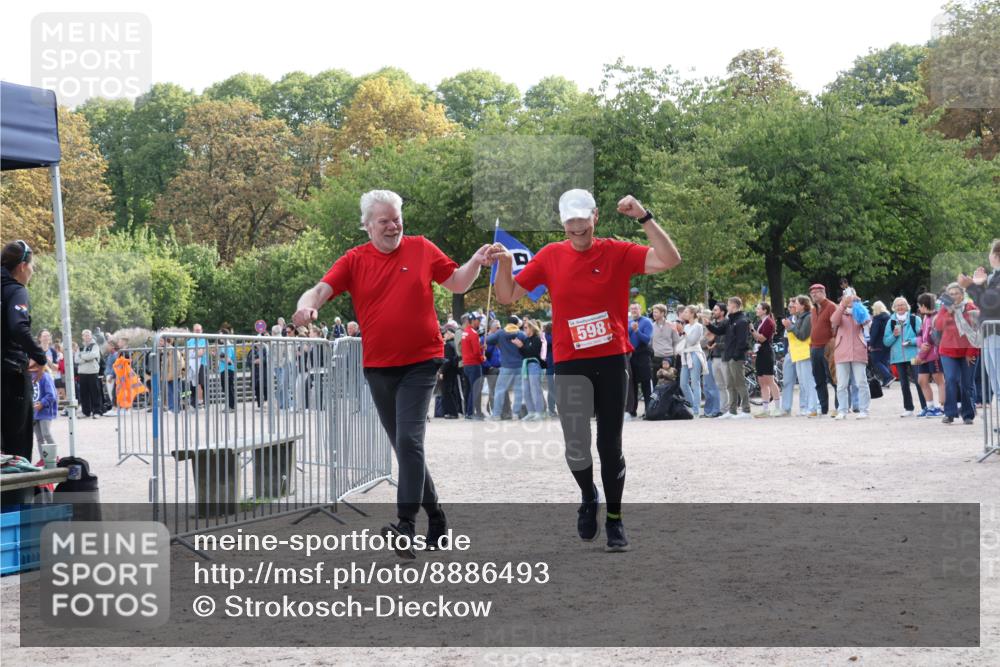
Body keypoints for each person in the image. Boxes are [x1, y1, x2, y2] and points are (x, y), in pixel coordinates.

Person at [293, 189, 492, 558]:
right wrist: (306, 306)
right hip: (379, 367)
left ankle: (405, 524)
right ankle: (436, 517)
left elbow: (458, 282)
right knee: (405, 447)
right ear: (368, 226)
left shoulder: (421, 249)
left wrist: (476, 261)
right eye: (384, 220)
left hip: (422, 361)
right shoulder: (354, 260)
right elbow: (321, 289)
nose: (393, 225)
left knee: (410, 443)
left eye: (396, 218)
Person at [491, 189, 681, 553]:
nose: (577, 227)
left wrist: (644, 217)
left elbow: (670, 259)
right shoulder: (550, 255)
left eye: (582, 219)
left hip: (610, 359)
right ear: (562, 223)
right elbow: (507, 296)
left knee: (610, 445)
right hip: (570, 361)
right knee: (576, 446)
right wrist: (502, 263)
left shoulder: (618, 251)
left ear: (595, 216)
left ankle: (614, 519)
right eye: (569, 221)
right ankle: (587, 494)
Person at [2, 240, 49, 460]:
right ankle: (18, 495)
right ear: (22, 266)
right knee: (17, 449)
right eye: (31, 266)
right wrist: (40, 356)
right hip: (10, 378)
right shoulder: (16, 291)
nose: (32, 272)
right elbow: (18, 326)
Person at [960, 239, 1000, 402]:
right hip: (990, 333)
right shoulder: (994, 277)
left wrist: (972, 286)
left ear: (996, 255)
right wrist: (979, 285)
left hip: (996, 333)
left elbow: (991, 304)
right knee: (995, 381)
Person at [935, 283, 980, 425]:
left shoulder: (971, 308)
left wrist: (971, 352)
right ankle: (949, 413)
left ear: (962, 294)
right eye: (951, 294)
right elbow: (938, 326)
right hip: (948, 350)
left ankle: (968, 414)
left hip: (968, 350)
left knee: (967, 384)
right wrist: (949, 311)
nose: (954, 296)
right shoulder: (944, 309)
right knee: (951, 379)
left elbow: (976, 332)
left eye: (956, 293)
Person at [706, 297, 751, 419]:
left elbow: (742, 341)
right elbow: (719, 331)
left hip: (735, 357)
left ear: (735, 306)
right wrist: (708, 325)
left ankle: (746, 410)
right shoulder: (729, 321)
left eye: (729, 305)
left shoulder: (742, 321)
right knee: (730, 384)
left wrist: (735, 356)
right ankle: (732, 411)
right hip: (728, 356)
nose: (727, 307)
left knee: (739, 383)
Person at [830, 291, 872, 420]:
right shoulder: (839, 310)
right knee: (841, 383)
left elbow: (866, 321)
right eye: (846, 296)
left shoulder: (859, 310)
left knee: (861, 382)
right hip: (841, 350)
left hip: (858, 349)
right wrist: (842, 305)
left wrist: (857, 305)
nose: (848, 298)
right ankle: (842, 409)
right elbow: (834, 322)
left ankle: (864, 409)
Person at [883, 296, 922, 417]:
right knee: (904, 383)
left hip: (914, 355)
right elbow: (886, 342)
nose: (900, 307)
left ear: (907, 306)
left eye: (902, 304)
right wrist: (894, 336)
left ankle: (926, 406)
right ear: (894, 308)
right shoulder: (891, 322)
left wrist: (911, 341)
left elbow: (922, 338)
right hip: (898, 357)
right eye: (898, 305)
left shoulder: (915, 319)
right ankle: (908, 408)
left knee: (919, 381)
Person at [782, 295, 819, 417]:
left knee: (808, 382)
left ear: (803, 305)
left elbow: (802, 335)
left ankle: (813, 407)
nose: (794, 306)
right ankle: (810, 407)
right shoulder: (799, 317)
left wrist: (790, 327)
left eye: (796, 303)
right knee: (803, 383)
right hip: (798, 353)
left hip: (805, 352)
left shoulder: (808, 317)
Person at [486, 316, 527, 420]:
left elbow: (488, 340)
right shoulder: (521, 334)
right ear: (517, 323)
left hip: (506, 366)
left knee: (500, 390)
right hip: (519, 365)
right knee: (518, 390)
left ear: (507, 323)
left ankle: (496, 415)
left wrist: (491, 333)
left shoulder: (501, 333)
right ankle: (515, 414)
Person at [913, 293, 945, 418]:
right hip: (924, 356)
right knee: (922, 380)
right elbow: (920, 334)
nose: (919, 309)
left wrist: (920, 355)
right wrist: (921, 346)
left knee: (939, 381)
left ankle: (943, 407)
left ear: (924, 306)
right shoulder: (925, 318)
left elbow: (931, 341)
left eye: (919, 306)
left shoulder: (936, 318)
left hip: (934, 356)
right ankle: (930, 406)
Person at [808, 284, 837, 415]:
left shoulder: (831, 307)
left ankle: (839, 407)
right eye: (812, 293)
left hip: (828, 347)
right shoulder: (813, 310)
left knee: (833, 377)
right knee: (818, 379)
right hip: (814, 347)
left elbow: (836, 326)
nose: (814, 295)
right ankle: (823, 408)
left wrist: (833, 343)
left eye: (817, 293)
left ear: (823, 293)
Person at [751, 302, 781, 418]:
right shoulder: (761, 322)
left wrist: (752, 330)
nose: (756, 310)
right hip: (760, 352)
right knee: (762, 382)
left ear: (765, 310)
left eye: (758, 308)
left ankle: (778, 407)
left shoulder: (769, 322)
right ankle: (765, 409)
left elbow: (762, 338)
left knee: (770, 380)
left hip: (767, 352)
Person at [677, 305, 707, 418]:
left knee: (695, 382)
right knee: (683, 383)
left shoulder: (698, 326)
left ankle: (696, 409)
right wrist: (680, 332)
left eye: (686, 312)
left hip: (694, 354)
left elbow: (691, 341)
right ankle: (691, 404)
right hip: (685, 355)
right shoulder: (686, 326)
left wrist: (683, 333)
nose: (684, 314)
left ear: (692, 314)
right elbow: (682, 342)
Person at [626, 302, 654, 418]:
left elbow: (647, 339)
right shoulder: (627, 322)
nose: (634, 311)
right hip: (631, 356)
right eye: (632, 309)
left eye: (636, 309)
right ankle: (632, 410)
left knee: (645, 384)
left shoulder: (646, 321)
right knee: (632, 385)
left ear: (640, 309)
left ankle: (648, 411)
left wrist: (637, 331)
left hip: (642, 355)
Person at [705, 303, 729, 417]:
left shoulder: (727, 323)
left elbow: (728, 342)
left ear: (722, 312)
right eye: (713, 310)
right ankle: (722, 409)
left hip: (724, 357)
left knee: (728, 384)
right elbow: (711, 340)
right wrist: (709, 342)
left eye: (716, 310)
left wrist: (716, 345)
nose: (713, 312)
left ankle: (729, 409)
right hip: (714, 357)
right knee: (720, 385)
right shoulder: (713, 324)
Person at [519, 319, 546, 420]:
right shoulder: (526, 340)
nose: (524, 329)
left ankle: (539, 412)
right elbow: (524, 353)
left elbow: (533, 352)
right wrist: (520, 347)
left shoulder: (537, 339)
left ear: (532, 328)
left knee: (535, 389)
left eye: (526, 327)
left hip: (534, 365)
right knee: (525, 390)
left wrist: (521, 346)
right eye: (523, 328)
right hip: (525, 366)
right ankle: (531, 411)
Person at [460, 313, 485, 420]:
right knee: (475, 390)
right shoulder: (474, 334)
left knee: (469, 390)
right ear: (473, 320)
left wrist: (481, 347)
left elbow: (469, 349)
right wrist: (482, 358)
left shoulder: (465, 332)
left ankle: (468, 412)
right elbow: (475, 353)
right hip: (474, 365)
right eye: (478, 320)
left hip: (466, 365)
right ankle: (472, 413)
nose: (479, 322)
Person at [75, 329, 102, 418]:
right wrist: (87, 358)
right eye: (84, 335)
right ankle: (86, 412)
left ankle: (96, 411)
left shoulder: (95, 346)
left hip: (92, 372)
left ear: (91, 336)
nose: (86, 337)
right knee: (84, 393)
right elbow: (76, 359)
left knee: (95, 392)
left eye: (88, 335)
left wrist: (82, 357)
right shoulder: (80, 347)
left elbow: (93, 355)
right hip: (82, 373)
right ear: (82, 336)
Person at [868, 301, 894, 388]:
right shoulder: (889, 318)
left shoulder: (877, 319)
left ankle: (888, 376)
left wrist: (871, 344)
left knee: (876, 361)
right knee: (884, 362)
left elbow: (874, 333)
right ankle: (886, 381)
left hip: (878, 344)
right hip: (888, 343)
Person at [439, 323, 463, 419]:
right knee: (452, 391)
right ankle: (455, 411)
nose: (444, 335)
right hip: (453, 371)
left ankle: (452, 412)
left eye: (445, 333)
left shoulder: (448, 345)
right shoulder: (453, 344)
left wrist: (441, 371)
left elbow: (447, 361)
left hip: (448, 372)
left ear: (449, 333)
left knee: (447, 392)